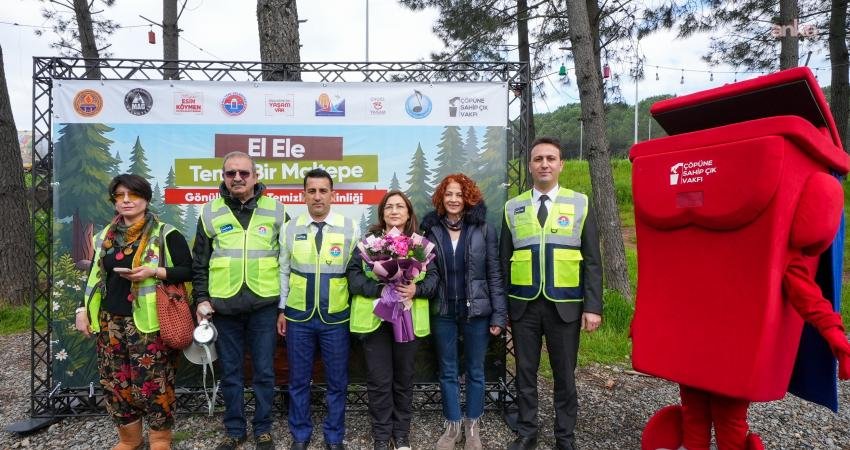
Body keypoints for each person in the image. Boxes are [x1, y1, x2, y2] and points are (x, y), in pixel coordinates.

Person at [500, 137, 603, 450]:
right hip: (523, 307)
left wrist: (593, 306)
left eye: (550, 158)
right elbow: (504, 261)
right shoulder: (513, 206)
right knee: (525, 372)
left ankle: (564, 436)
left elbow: (593, 261)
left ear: (561, 164)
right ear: (530, 165)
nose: (544, 164)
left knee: (565, 375)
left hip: (566, 306)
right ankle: (527, 431)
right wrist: (502, 307)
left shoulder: (580, 203)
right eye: (538, 159)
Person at [75, 174, 192, 450]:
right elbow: (93, 277)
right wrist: (83, 310)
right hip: (110, 322)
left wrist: (154, 271)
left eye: (133, 195)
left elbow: (189, 271)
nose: (126, 200)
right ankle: (129, 439)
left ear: (146, 198)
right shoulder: (105, 235)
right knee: (116, 383)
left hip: (149, 324)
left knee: (154, 383)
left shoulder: (166, 234)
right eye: (119, 196)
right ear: (114, 201)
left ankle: (160, 439)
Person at [192, 151, 287, 450]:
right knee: (231, 373)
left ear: (255, 177)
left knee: (264, 371)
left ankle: (263, 429)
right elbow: (200, 262)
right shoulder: (209, 212)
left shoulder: (277, 210)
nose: (237, 178)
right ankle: (234, 430)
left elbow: (287, 259)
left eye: (244, 173)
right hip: (224, 307)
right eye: (231, 173)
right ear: (223, 177)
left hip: (264, 306)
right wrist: (201, 299)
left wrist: (283, 305)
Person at [420, 174, 507, 450]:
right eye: (449, 194)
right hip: (443, 311)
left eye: (459, 194)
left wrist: (498, 314)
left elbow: (494, 273)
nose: (454, 199)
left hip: (477, 313)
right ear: (441, 199)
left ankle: (472, 427)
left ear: (468, 197)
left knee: (475, 370)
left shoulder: (483, 229)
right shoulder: (430, 230)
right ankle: (452, 425)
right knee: (447, 370)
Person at [346, 190, 439, 450]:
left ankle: (401, 436)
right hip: (376, 322)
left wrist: (414, 290)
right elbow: (353, 277)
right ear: (382, 213)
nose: (394, 211)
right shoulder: (368, 244)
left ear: (409, 213)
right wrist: (380, 290)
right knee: (379, 380)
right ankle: (381, 435)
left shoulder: (421, 246)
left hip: (407, 321)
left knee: (404, 379)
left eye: (400, 207)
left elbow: (433, 280)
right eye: (389, 207)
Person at [276, 168, 359, 450]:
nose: (317, 196)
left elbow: (355, 272)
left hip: (336, 317)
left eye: (323, 190)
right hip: (298, 316)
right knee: (298, 381)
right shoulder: (290, 228)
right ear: (304, 195)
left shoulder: (350, 227)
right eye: (312, 191)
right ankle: (300, 435)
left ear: (333, 194)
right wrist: (281, 309)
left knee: (337, 382)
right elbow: (284, 271)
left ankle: (334, 436)